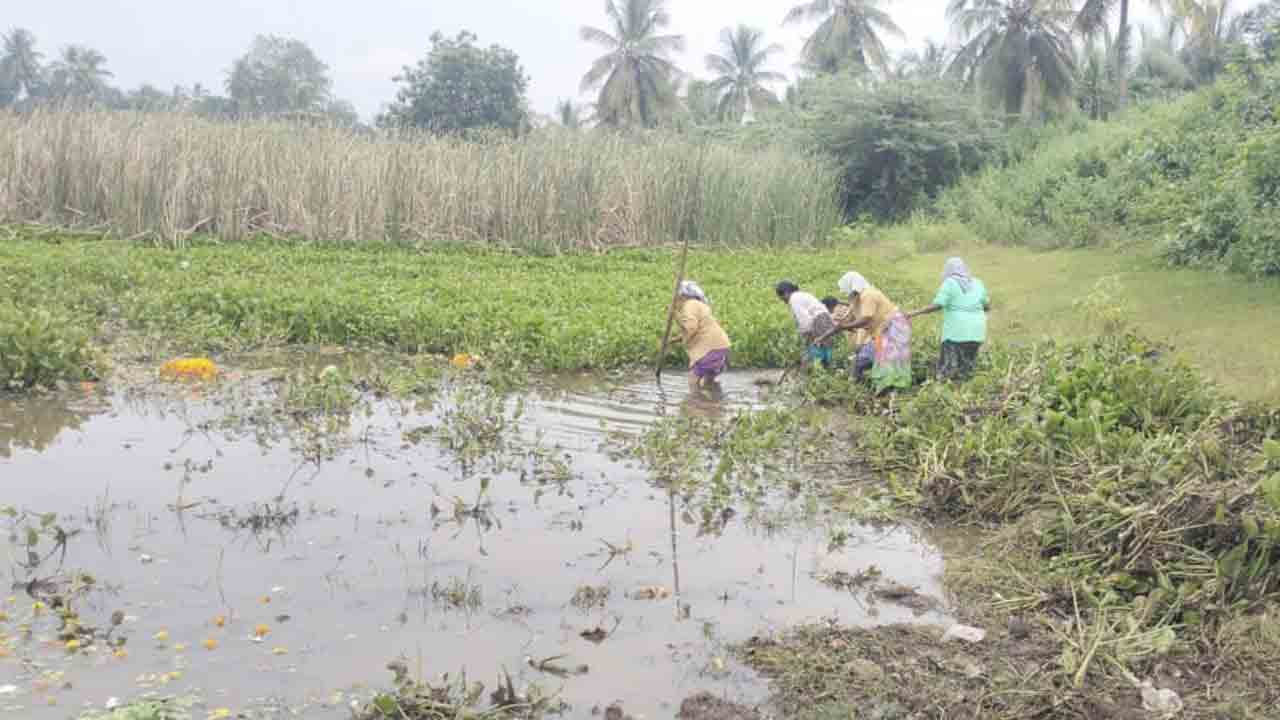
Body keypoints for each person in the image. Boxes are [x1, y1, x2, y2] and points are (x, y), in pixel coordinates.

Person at [818, 272, 912, 393]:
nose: (848, 294)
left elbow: (866, 319)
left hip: (893, 328)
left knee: (877, 362)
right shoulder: (856, 300)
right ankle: (879, 390)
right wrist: (823, 337)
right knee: (871, 361)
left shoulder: (868, 295)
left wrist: (846, 327)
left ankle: (885, 391)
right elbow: (843, 323)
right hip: (882, 331)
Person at [906, 257, 990, 381]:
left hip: (956, 333)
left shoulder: (950, 283)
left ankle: (943, 387)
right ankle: (964, 388)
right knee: (967, 368)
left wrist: (914, 313)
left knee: (946, 370)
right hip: (977, 332)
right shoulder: (978, 283)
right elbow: (986, 306)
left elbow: (938, 304)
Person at [667, 280, 731, 395]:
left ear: (683, 296)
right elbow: (699, 330)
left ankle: (696, 403)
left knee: (693, 380)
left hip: (709, 350)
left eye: (676, 297)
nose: (675, 301)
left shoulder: (689, 305)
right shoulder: (699, 305)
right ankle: (714, 402)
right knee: (708, 382)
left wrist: (675, 315)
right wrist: (674, 340)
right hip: (721, 348)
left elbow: (691, 328)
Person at [776, 281, 836, 370]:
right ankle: (828, 369)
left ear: (786, 293)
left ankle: (817, 370)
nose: (783, 301)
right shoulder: (801, 295)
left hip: (819, 320)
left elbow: (804, 320)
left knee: (815, 348)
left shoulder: (793, 299)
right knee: (825, 347)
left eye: (781, 297)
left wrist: (807, 335)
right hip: (826, 319)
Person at [822, 297, 873, 380]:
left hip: (863, 340)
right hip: (861, 337)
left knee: (858, 363)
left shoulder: (838, 311)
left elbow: (839, 324)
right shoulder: (845, 309)